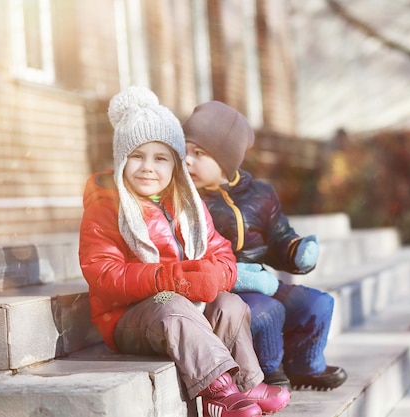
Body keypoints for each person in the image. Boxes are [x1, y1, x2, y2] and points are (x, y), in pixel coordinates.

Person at [78, 87, 290, 417]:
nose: (148, 167)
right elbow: (103, 274)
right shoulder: (106, 207)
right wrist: (173, 279)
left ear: (176, 164)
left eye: (160, 158)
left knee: (230, 303)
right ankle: (217, 394)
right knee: (172, 303)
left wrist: (214, 275)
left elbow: (221, 252)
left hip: (184, 307)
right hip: (129, 316)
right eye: (137, 156)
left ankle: (247, 384)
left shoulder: (186, 205)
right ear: (121, 160)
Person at [183, 101, 348, 391]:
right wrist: (239, 275)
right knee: (265, 311)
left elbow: (278, 235)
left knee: (318, 304)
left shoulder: (260, 194)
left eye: (198, 153)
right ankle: (268, 372)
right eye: (183, 152)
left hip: (263, 280)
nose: (187, 161)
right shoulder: (189, 202)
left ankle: (305, 366)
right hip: (225, 288)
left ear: (226, 158)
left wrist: (295, 251)